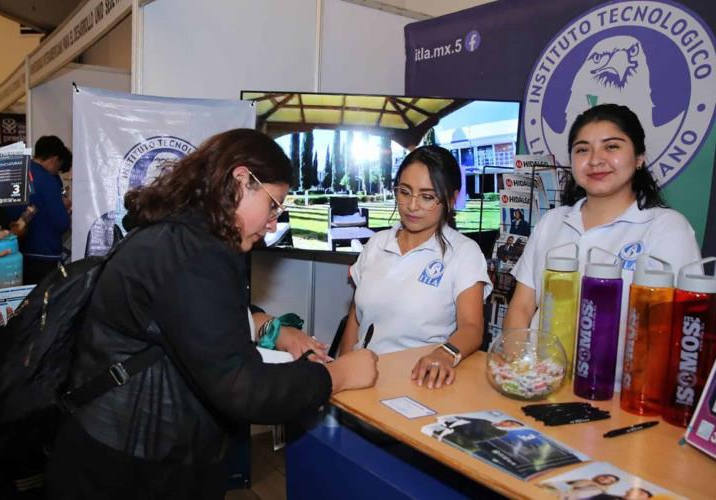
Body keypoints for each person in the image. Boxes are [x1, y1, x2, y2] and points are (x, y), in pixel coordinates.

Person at [44, 129, 379, 499]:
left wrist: (268, 325)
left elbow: (187, 316)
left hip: (119, 446)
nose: (272, 224)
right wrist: (338, 375)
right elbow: (244, 390)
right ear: (240, 180)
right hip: (132, 466)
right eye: (273, 204)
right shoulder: (195, 253)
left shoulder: (178, 234)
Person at [504, 103, 701, 389]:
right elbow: (522, 307)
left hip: (622, 396)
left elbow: (674, 333)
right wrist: (517, 372)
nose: (595, 160)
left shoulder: (666, 228)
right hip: (540, 383)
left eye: (611, 147)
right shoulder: (553, 222)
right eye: (583, 150)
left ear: (639, 158)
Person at [337, 145, 492, 390]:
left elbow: (472, 327)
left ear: (451, 200)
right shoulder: (377, 244)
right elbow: (356, 318)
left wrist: (445, 354)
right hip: (363, 380)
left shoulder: (463, 252)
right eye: (405, 192)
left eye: (427, 196)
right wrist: (340, 373)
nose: (412, 205)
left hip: (418, 382)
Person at [6, 135, 72, 285]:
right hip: (43, 252)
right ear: (54, 159)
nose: (57, 171)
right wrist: (66, 212)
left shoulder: (16, 171)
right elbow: (61, 222)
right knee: (40, 300)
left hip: (14, 250)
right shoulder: (47, 180)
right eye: (58, 166)